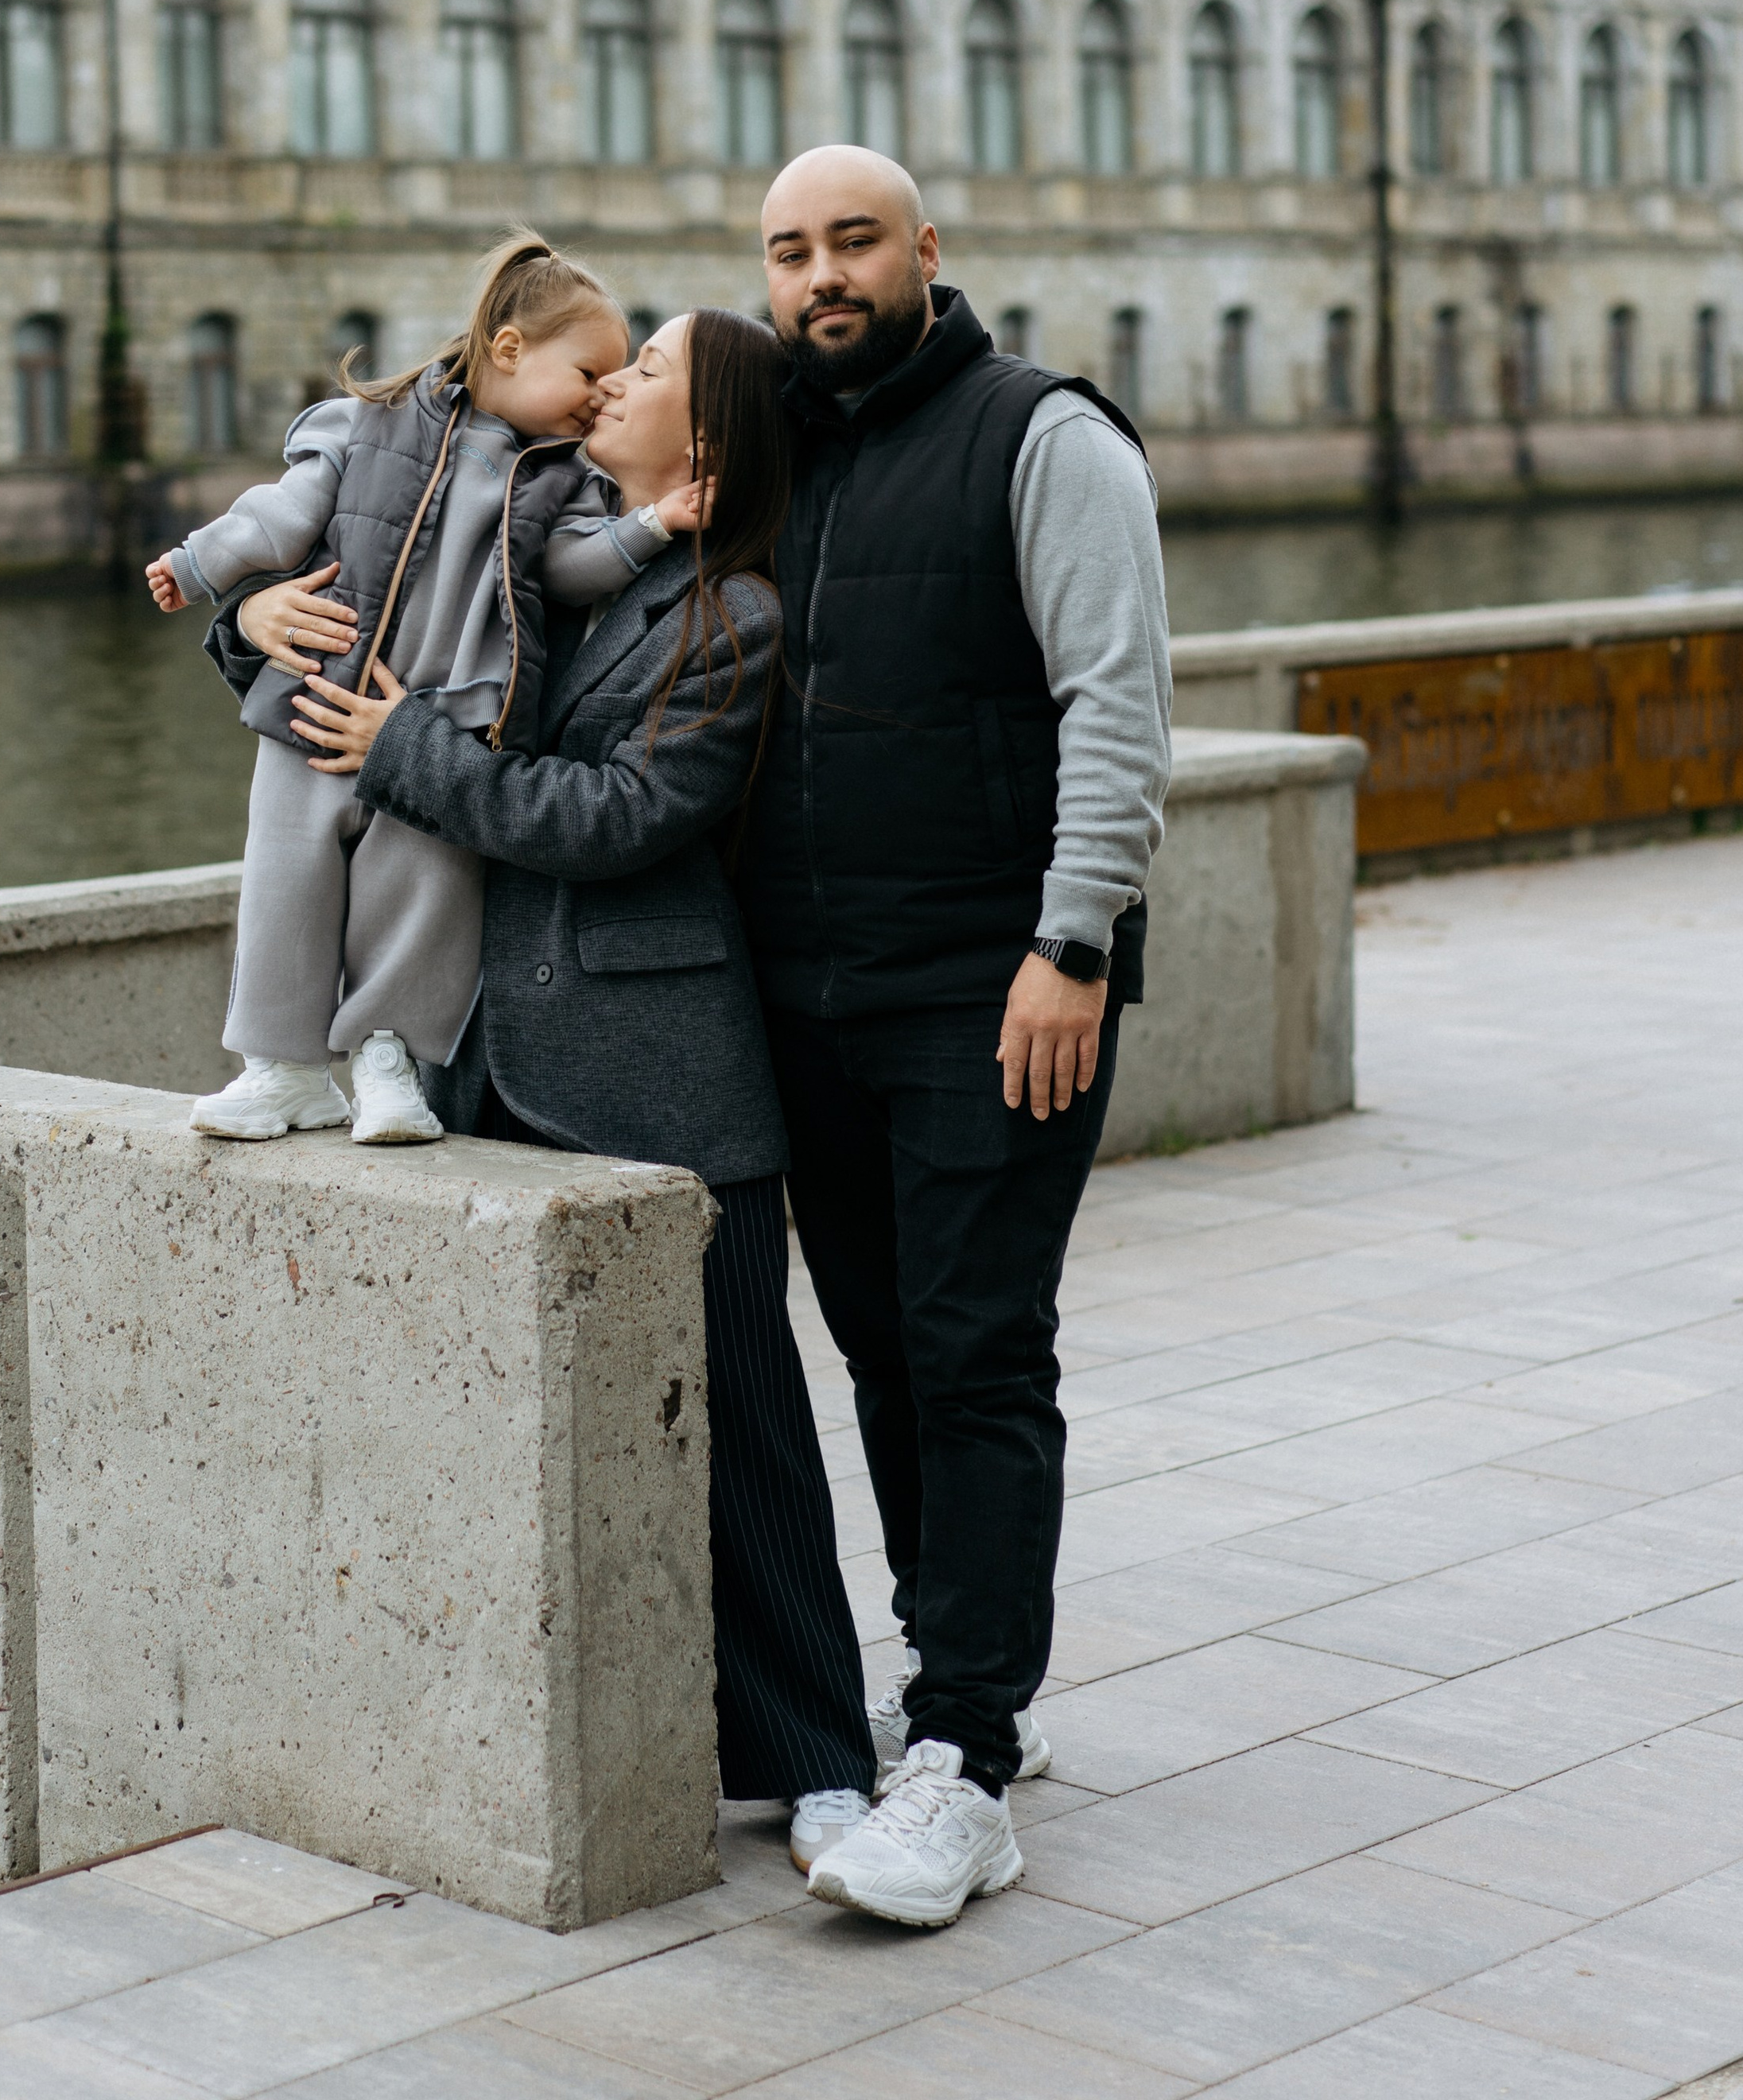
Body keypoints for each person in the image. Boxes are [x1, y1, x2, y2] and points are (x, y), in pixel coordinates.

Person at [240, 309, 882, 1870]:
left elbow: (619, 814)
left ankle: (816, 1762)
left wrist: (406, 754)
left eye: (648, 373)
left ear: (708, 451)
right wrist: (247, 612)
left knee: (746, 1442)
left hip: (662, 1075)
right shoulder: (545, 530)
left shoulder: (735, 615)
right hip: (473, 1053)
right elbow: (367, 576)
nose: (613, 383)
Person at [740, 145, 1171, 1931]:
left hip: (997, 989)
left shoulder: (1042, 435)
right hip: (810, 993)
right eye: (788, 251)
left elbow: (1115, 702)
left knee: (976, 1348)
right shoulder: (770, 444)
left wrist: (1071, 943)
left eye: (853, 241)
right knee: (886, 1354)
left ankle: (966, 1766)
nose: (821, 275)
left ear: (927, 250)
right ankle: (955, 1678)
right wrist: (256, 605)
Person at [148, 231, 699, 1143]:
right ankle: (280, 1067)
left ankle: (389, 1060)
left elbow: (571, 570)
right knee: (286, 873)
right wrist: (206, 569)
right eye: (590, 369)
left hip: (450, 725)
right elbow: (283, 516)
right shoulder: (366, 423)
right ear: (511, 349)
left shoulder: (563, 479)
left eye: (621, 376)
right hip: (320, 703)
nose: (602, 391)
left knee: (423, 888)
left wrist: (647, 526)